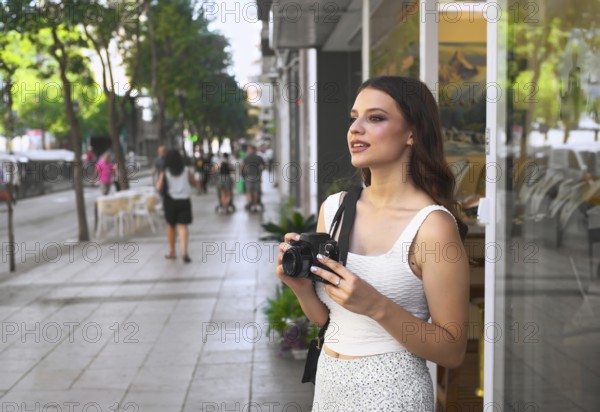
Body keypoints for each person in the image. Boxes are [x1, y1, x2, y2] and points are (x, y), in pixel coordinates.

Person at [275, 76, 470, 410]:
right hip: (329, 388)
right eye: (354, 117)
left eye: (376, 118)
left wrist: (376, 304)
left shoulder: (432, 226)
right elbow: (329, 320)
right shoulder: (334, 209)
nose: (356, 129)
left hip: (393, 394)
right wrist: (300, 288)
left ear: (413, 133)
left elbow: (452, 350)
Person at [156, 149, 198, 263]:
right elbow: (194, 183)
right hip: (184, 201)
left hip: (170, 201)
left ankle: (172, 251)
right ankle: (184, 252)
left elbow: (159, 188)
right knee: (183, 226)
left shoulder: (165, 172)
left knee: (171, 226)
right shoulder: (186, 170)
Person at [241, 145, 265, 212]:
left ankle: (252, 204)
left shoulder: (246, 158)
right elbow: (263, 165)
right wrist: (260, 171)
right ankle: (253, 205)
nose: (248, 151)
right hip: (255, 176)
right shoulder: (259, 157)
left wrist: (243, 174)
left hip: (250, 176)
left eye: (249, 149)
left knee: (251, 191)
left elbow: (242, 167)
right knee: (254, 191)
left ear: (252, 150)